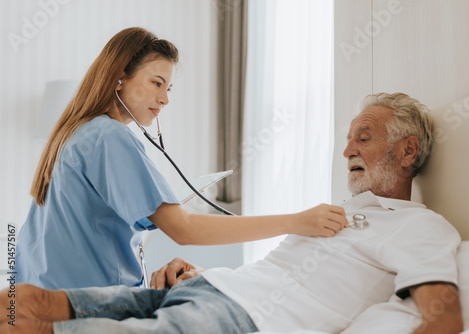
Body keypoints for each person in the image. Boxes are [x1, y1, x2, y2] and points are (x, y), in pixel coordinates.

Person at [3, 93, 464, 334]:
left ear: (408, 151)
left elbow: (443, 320)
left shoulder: (421, 227)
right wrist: (201, 273)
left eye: (364, 137)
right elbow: (277, 274)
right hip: (212, 287)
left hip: (239, 319)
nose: (347, 150)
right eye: (348, 138)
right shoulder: (336, 211)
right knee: (26, 302)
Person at [14, 26, 347, 290]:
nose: (164, 99)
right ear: (120, 76)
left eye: (168, 89)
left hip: (45, 303)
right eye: (157, 83)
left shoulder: (74, 134)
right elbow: (183, 229)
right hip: (86, 308)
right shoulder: (109, 137)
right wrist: (296, 221)